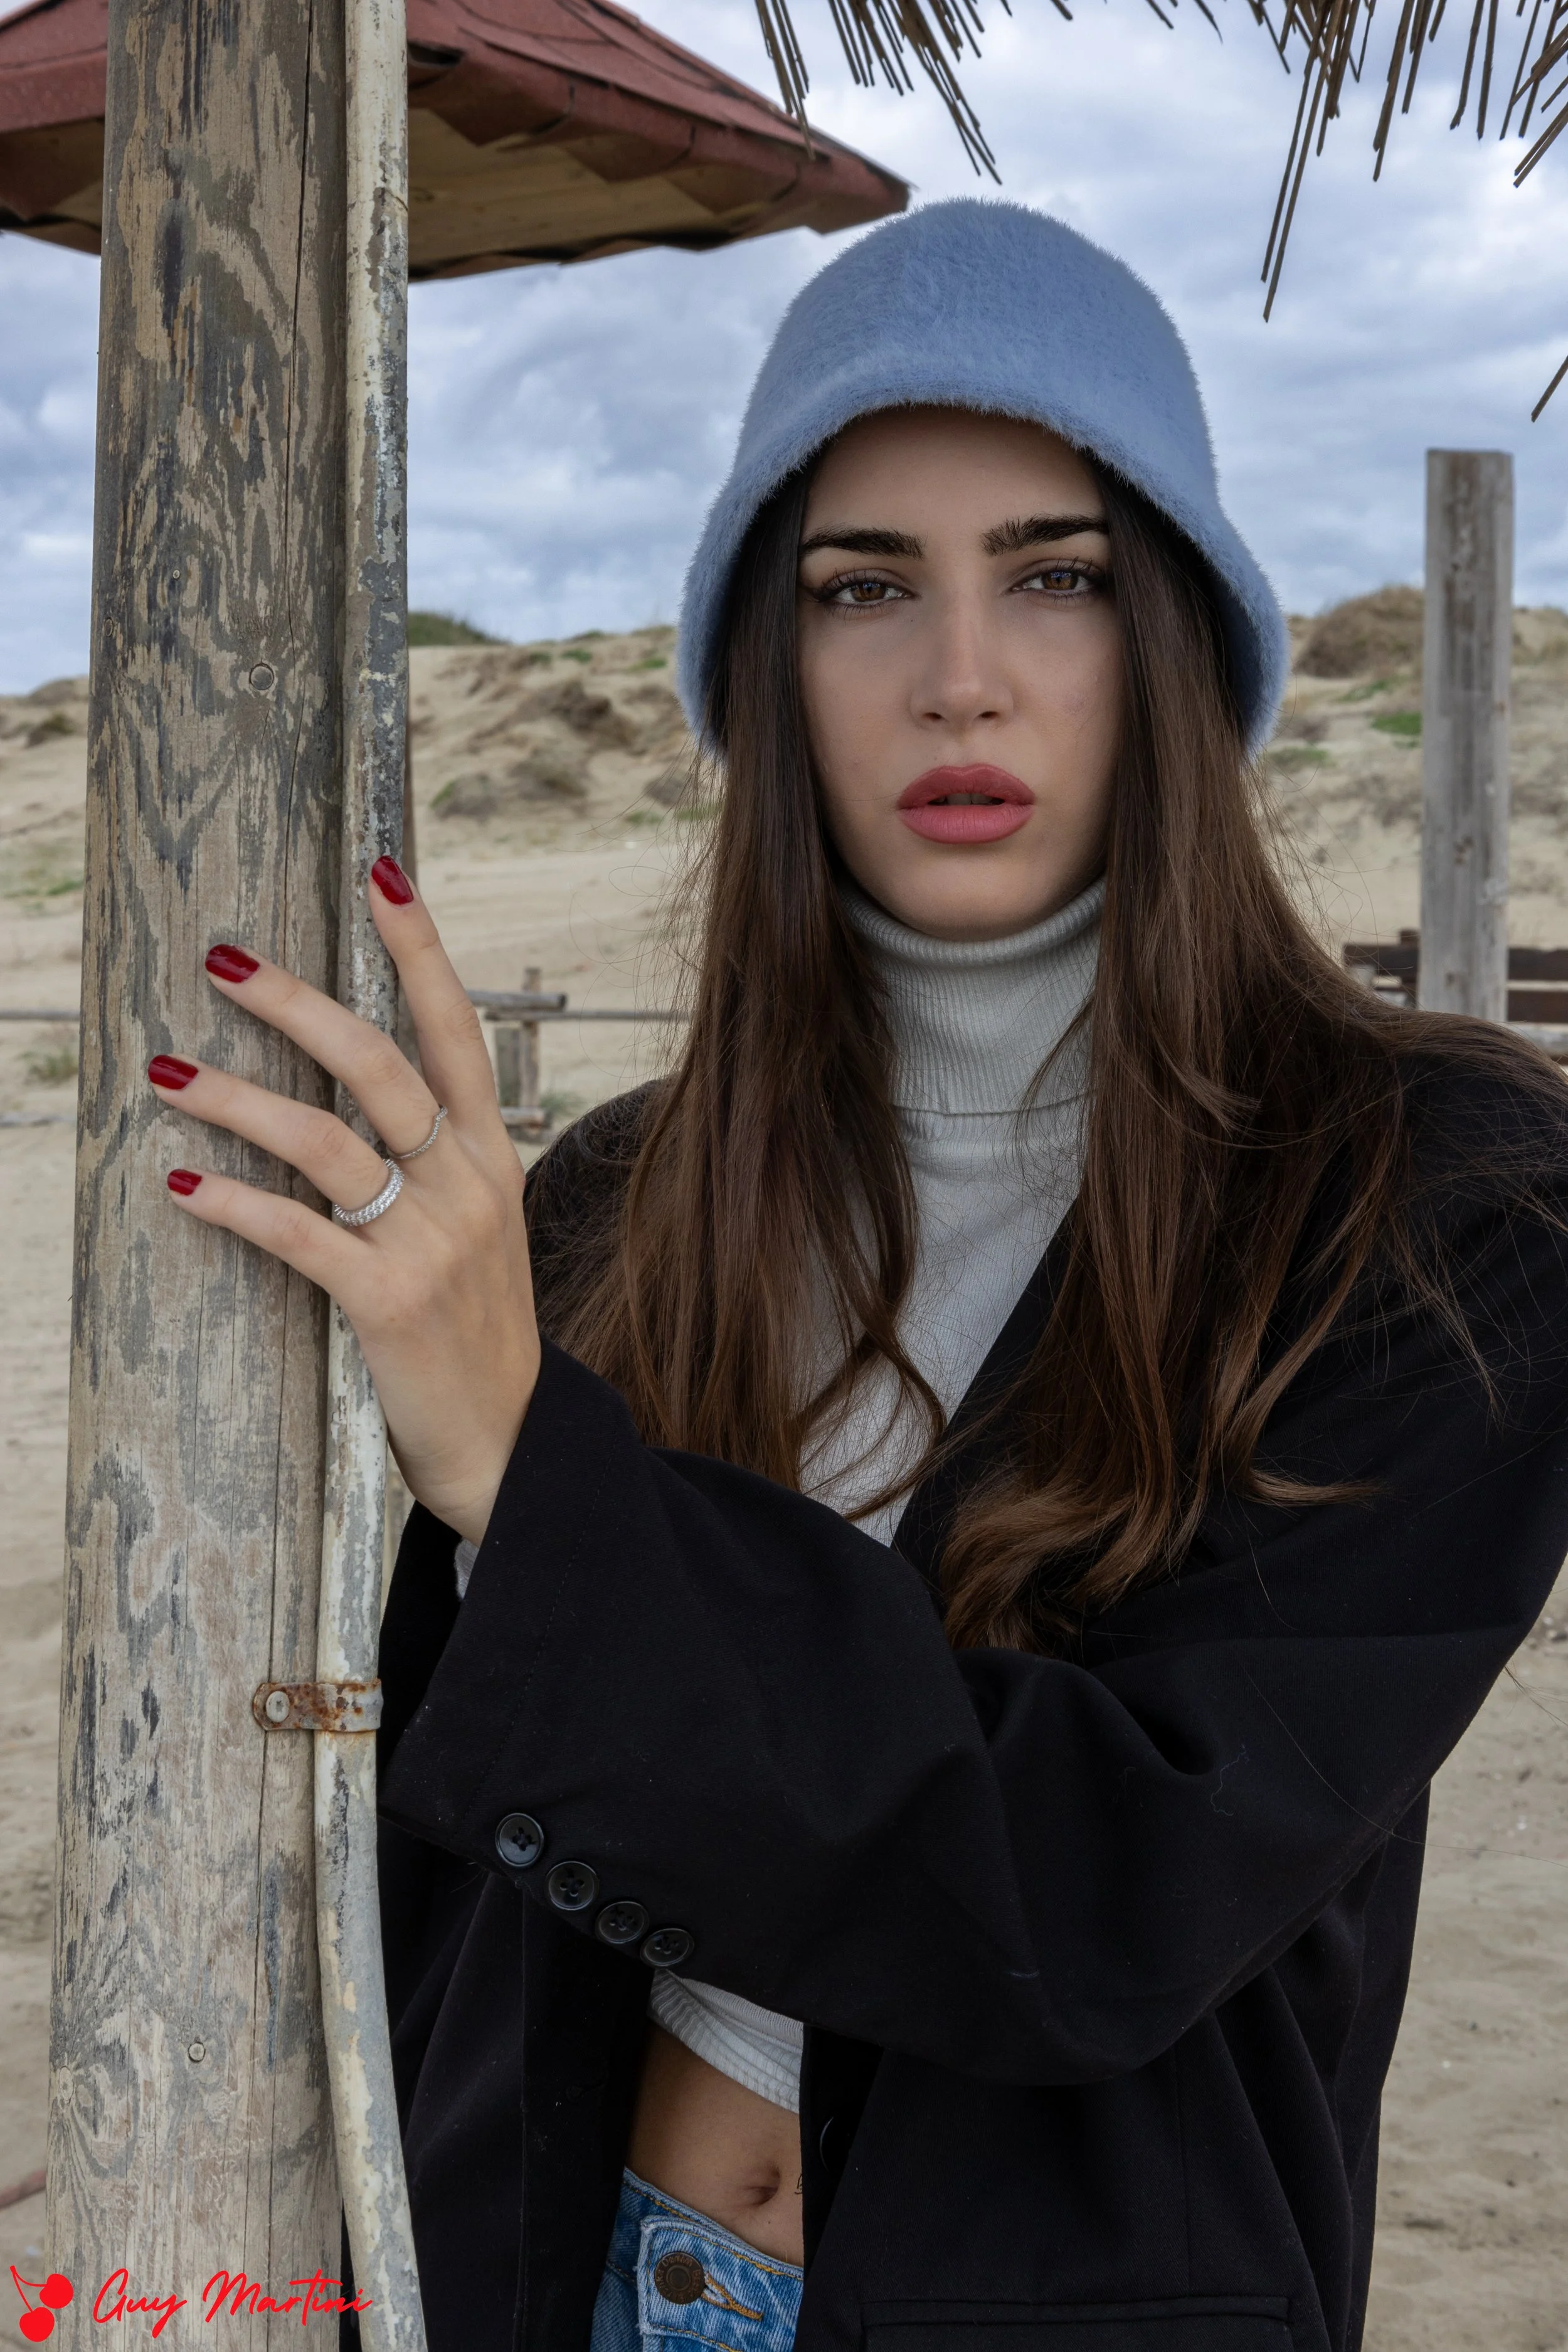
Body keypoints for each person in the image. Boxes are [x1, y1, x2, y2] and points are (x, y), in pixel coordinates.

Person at [147, 203, 1568, 2352]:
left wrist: (542, 1479)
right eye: (861, 586)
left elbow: (1108, 1880)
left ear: (1175, 631)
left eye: (1056, 573)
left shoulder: (1429, 1201)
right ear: (765, 659)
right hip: (575, 2272)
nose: (959, 671)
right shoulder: (622, 1199)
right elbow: (431, 1844)